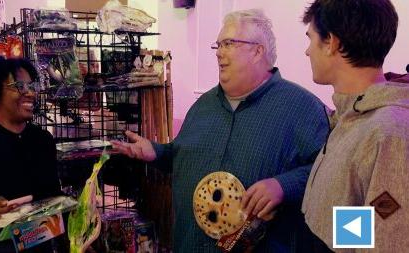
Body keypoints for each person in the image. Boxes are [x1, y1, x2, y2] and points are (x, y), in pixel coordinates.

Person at [112, 9, 329, 252]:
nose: (220, 53)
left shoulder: (301, 108)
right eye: (218, 45)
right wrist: (157, 152)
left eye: (229, 43)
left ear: (258, 51)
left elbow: (329, 176)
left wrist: (283, 186)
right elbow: (185, 158)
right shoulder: (202, 106)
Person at [301, 0, 409, 252]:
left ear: (332, 43)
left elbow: (386, 243)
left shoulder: (388, 133)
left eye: (311, 38)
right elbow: (361, 223)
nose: (307, 51)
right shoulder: (355, 115)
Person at [0, 56, 62, 252]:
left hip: (42, 244)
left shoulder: (42, 140)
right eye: (19, 86)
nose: (30, 93)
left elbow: (52, 196)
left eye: (31, 86)